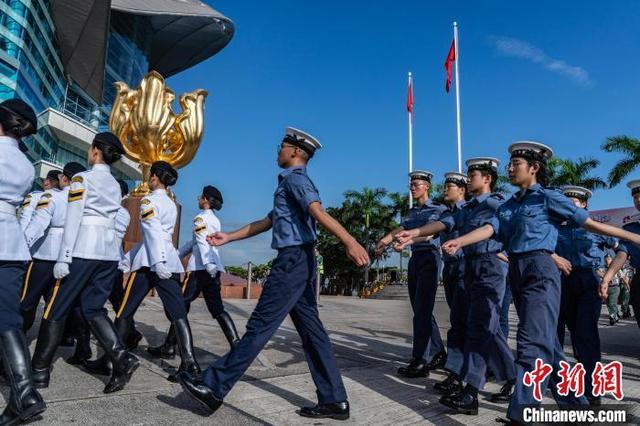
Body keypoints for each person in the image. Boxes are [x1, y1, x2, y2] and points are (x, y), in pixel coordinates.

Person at [439, 141, 640, 424]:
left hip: (541, 271)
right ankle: (578, 408)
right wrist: (459, 240)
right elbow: (490, 228)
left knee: (530, 343)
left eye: (515, 164)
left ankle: (522, 412)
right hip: (517, 272)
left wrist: (631, 237)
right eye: (509, 164)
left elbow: (587, 223)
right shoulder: (508, 206)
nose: (509, 168)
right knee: (547, 344)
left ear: (533, 168)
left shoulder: (548, 197)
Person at [176, 127, 369, 420]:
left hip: (292, 261)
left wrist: (350, 241)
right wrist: (229, 237)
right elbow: (266, 222)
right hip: (300, 260)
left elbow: (317, 211)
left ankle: (213, 387)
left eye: (281, 146)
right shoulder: (288, 184)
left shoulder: (295, 179)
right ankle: (334, 399)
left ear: (294, 152)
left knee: (259, 326)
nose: (277, 150)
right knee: (311, 331)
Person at [395, 158, 516, 414]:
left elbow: (506, 229)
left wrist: (509, 253)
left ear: (487, 179)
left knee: (481, 328)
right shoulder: (468, 208)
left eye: (473, 174)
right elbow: (445, 224)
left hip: (489, 266)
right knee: (480, 328)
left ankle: (471, 391)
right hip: (469, 266)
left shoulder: (498, 203)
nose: (468, 178)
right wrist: (413, 234)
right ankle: (513, 378)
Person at [30, 132, 139, 395]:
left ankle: (40, 372)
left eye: (91, 148)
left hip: (82, 249)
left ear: (96, 151)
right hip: (107, 253)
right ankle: (121, 357)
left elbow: (74, 217)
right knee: (93, 309)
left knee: (55, 309)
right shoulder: (114, 184)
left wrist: (64, 256)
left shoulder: (82, 179)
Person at [115, 161, 200, 382]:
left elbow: (151, 233)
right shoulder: (171, 203)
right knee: (178, 313)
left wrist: (156, 261)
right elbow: (158, 235)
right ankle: (189, 363)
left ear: (153, 177)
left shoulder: (149, 200)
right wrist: (132, 257)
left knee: (124, 312)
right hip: (169, 262)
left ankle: (115, 360)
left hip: (150, 263)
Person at [147, 185, 240, 367]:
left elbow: (202, 243)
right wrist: (177, 255)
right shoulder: (214, 220)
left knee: (179, 307)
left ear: (206, 200)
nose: (197, 199)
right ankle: (236, 344)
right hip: (212, 270)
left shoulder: (200, 218)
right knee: (217, 309)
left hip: (199, 270)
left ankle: (182, 358)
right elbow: (193, 244)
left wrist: (207, 264)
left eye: (200, 197)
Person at [0, 98, 46, 424]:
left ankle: (25, 393)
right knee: (8, 319)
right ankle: (24, 391)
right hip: (13, 245)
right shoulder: (26, 165)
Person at [376, 170, 447, 378]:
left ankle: (420, 360)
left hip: (431, 258)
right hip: (415, 259)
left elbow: (433, 232)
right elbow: (400, 228)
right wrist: (383, 241)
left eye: (417, 184)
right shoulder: (411, 212)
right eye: (411, 184)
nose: (413, 187)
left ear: (427, 186)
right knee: (420, 309)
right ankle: (439, 353)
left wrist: (409, 240)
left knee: (422, 311)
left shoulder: (438, 209)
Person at [554, 185, 618, 406]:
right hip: (562, 283)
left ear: (584, 205)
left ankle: (592, 390)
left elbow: (622, 249)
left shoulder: (595, 228)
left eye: (574, 203)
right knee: (561, 336)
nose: (569, 207)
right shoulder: (555, 228)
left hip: (588, 284)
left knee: (586, 335)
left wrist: (607, 276)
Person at [80, 179, 142, 376]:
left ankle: (117, 352)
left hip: (104, 259)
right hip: (113, 261)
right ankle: (130, 336)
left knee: (96, 306)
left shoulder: (116, 211)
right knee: (117, 303)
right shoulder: (122, 212)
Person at [21, 162, 86, 334]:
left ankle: (17, 337)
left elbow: (37, 225)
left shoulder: (51, 196)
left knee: (27, 301)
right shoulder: (84, 200)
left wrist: (22, 248)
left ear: (64, 178)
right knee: (55, 304)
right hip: (67, 257)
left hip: (43, 256)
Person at [600, 179, 640, 330]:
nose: (638, 200)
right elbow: (622, 255)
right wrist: (606, 279)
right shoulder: (630, 228)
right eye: (635, 197)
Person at [602, 255, 622, 325]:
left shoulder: (616, 268)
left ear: (611, 260)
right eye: (606, 259)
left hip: (615, 287)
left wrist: (627, 286)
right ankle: (616, 315)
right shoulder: (603, 268)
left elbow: (622, 277)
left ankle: (612, 317)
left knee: (612, 303)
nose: (607, 260)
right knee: (608, 304)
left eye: (609, 259)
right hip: (606, 288)